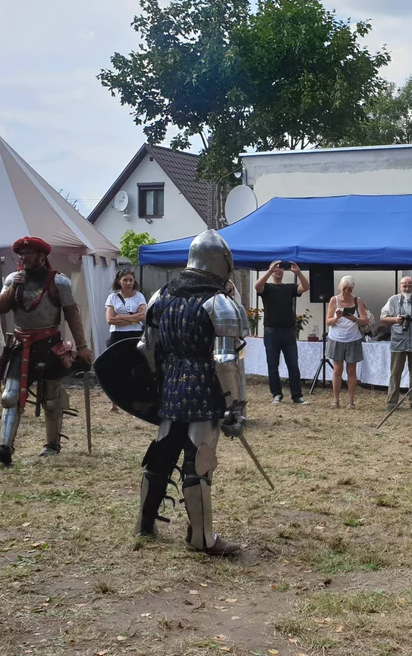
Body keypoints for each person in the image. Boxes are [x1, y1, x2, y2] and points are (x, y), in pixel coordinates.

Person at [131, 228, 244, 555]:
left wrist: (161, 385)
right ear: (223, 263)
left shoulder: (160, 295)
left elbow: (148, 349)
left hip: (172, 386)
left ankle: (144, 524)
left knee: (161, 455)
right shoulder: (220, 303)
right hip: (204, 388)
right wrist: (234, 407)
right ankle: (202, 539)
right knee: (200, 461)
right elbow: (225, 361)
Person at [0, 237, 92, 464]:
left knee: (51, 399)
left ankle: (52, 445)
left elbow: (71, 314)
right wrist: (14, 287)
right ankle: (5, 447)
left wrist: (82, 347)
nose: (24, 257)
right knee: (10, 396)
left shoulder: (59, 282)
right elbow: (0, 308)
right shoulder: (13, 279)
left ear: (42, 256)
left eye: (29, 253)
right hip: (19, 344)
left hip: (48, 344)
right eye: (21, 254)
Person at [254, 261, 311, 405]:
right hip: (271, 332)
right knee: (272, 365)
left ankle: (297, 396)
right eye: (275, 268)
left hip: (288, 332)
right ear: (271, 271)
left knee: (293, 365)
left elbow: (306, 287)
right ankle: (276, 394)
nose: (278, 271)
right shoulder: (266, 288)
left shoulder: (289, 288)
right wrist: (269, 270)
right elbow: (257, 286)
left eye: (280, 269)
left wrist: (298, 272)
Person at [380, 276, 412, 410]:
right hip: (398, 342)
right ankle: (391, 403)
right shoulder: (393, 300)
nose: (407, 288)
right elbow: (382, 318)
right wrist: (395, 319)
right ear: (400, 287)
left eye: (409, 285)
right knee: (395, 374)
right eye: (404, 286)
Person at [105, 268, 147, 412]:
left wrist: (121, 317)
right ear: (119, 281)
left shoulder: (139, 296)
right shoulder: (112, 298)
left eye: (130, 280)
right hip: (117, 336)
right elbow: (110, 319)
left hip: (135, 335)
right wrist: (132, 318)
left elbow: (142, 316)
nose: (128, 283)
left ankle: (136, 402)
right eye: (125, 280)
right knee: (116, 369)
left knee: (136, 368)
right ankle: (115, 403)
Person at [325, 276, 369, 409]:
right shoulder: (334, 299)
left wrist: (355, 319)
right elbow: (327, 322)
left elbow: (365, 320)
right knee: (337, 371)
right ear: (340, 287)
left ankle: (351, 401)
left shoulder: (357, 300)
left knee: (351, 371)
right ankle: (336, 400)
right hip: (336, 339)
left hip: (353, 339)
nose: (346, 292)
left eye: (350, 289)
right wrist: (336, 318)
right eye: (344, 289)